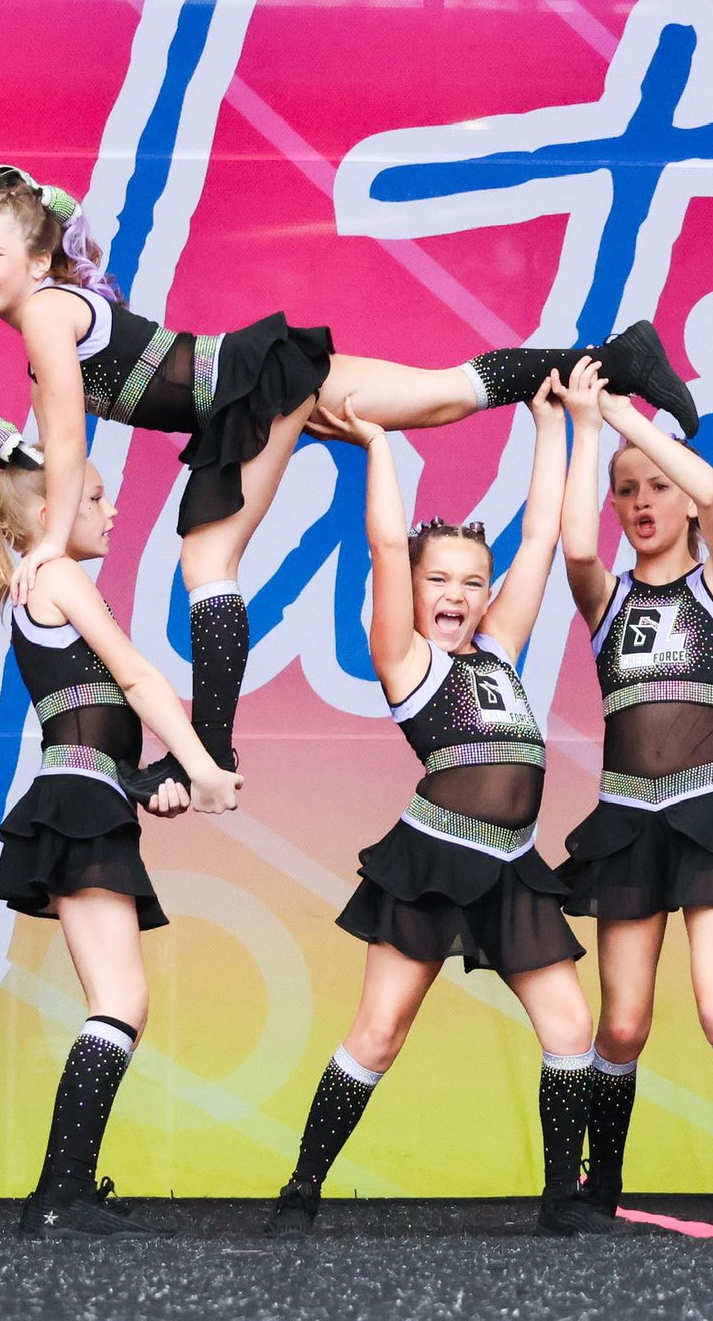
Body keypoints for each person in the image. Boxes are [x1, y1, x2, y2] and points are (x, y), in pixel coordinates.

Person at [0, 163, 698, 802]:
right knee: (445, 395)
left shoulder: (48, 314)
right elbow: (57, 430)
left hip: (242, 390)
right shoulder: (51, 317)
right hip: (257, 380)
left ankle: (213, 750)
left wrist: (51, 542)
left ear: (40, 257)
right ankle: (618, 359)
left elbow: (64, 433)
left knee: (208, 566)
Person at [265, 366, 607, 1238]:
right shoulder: (407, 662)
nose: (454, 595)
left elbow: (537, 538)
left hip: (512, 867)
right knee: (379, 1032)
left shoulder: (497, 651)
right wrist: (379, 447)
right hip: (434, 856)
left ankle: (561, 1204)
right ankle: (301, 1188)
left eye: (469, 582)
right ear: (415, 592)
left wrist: (547, 427)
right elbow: (384, 546)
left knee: (572, 1025)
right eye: (439, 580)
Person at [0, 410, 241, 1238]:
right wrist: (202, 769)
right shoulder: (55, 572)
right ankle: (58, 1195)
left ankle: (60, 1191)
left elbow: (94, 722)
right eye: (94, 496)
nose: (111, 510)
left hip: (88, 795)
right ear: (43, 512)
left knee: (120, 1000)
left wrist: (148, 783)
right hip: (74, 804)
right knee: (121, 999)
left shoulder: (42, 575)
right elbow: (132, 677)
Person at [558, 383, 713, 1234]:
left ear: (686, 499)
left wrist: (630, 421)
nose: (642, 501)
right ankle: (600, 1188)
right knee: (620, 1024)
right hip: (624, 823)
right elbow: (574, 543)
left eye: (658, 485)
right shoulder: (607, 598)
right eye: (627, 490)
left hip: (709, 815)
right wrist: (588, 427)